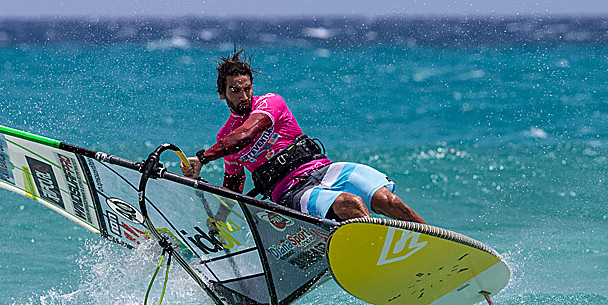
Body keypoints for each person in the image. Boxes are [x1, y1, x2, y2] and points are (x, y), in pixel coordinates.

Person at [180, 49, 426, 225]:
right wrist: (219, 220)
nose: (244, 96)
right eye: (235, 90)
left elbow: (248, 133)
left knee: (387, 199)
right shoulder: (225, 138)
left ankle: (435, 244)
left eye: (247, 88)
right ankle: (381, 257)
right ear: (222, 93)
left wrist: (202, 157)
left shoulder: (270, 103)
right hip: (290, 192)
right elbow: (233, 184)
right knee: (350, 204)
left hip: (324, 170)